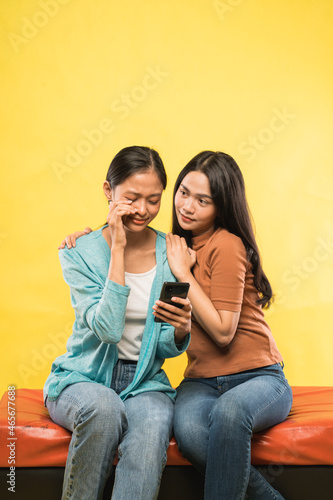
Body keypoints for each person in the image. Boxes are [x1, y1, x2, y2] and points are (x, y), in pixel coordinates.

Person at [63, 150, 293, 500]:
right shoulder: (163, 247)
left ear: (221, 205)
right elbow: (124, 330)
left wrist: (183, 308)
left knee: (214, 416)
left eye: (203, 200)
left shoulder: (194, 249)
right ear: (109, 191)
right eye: (183, 194)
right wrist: (100, 242)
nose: (187, 206)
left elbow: (204, 335)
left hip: (243, 376)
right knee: (185, 434)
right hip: (189, 380)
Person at [44, 145, 191, 500]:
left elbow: (164, 345)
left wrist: (182, 329)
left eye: (154, 200)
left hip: (144, 382)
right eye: (132, 197)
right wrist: (118, 250)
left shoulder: (170, 252)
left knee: (155, 423)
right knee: (104, 409)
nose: (143, 210)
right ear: (109, 192)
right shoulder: (78, 252)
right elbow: (108, 329)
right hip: (82, 377)